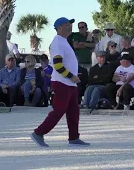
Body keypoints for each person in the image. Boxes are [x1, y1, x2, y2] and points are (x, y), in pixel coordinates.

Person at [30, 17, 90, 147]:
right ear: (60, 27)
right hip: (63, 82)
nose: (70, 26)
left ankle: (74, 137)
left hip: (69, 83)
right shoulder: (58, 42)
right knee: (59, 110)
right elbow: (57, 65)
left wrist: (73, 77)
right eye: (67, 24)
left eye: (70, 24)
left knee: (74, 111)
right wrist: (71, 76)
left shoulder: (64, 41)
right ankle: (38, 133)